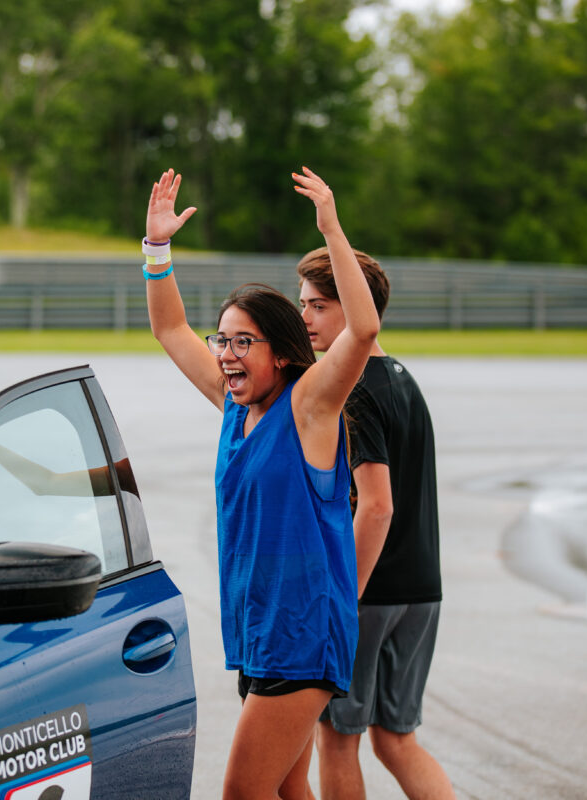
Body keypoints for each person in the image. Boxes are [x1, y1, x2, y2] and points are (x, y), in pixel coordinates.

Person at [144, 167, 379, 800]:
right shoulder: (232, 406)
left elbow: (362, 331)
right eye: (222, 339)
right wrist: (156, 250)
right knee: (285, 790)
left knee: (243, 793)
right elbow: (170, 329)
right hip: (260, 634)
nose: (225, 353)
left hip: (303, 636)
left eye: (243, 341)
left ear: (280, 351)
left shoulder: (309, 406)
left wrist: (331, 229)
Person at [297, 250, 455, 800]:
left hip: (370, 593)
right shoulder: (402, 379)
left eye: (318, 305)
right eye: (302, 305)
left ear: (355, 306)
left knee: (336, 739)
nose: (305, 319)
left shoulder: (355, 390)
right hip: (422, 592)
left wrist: (345, 594)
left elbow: (377, 505)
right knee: (395, 738)